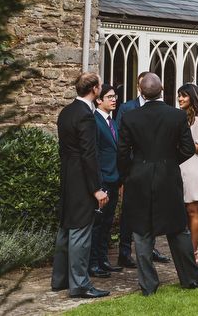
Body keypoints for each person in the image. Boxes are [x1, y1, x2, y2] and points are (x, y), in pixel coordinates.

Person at [117, 73, 198, 296]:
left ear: (141, 92)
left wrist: (128, 175)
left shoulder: (130, 117)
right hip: (168, 177)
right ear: (162, 91)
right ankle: (191, 278)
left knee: (142, 233)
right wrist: (170, 163)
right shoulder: (176, 116)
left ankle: (148, 286)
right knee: (177, 229)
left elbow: (122, 153)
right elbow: (187, 149)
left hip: (139, 178)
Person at [51, 73, 110, 299]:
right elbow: (89, 154)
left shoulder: (66, 112)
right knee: (80, 232)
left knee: (66, 228)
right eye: (100, 86)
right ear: (94, 89)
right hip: (82, 179)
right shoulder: (86, 116)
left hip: (68, 176)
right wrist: (96, 188)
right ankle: (80, 285)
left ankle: (60, 279)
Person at [114, 71, 170, 267]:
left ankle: (150, 249)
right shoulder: (127, 108)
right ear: (139, 87)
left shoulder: (163, 110)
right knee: (129, 213)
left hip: (155, 172)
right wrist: (125, 173)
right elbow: (121, 142)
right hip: (133, 171)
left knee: (152, 211)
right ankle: (124, 252)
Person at [89, 84, 123, 278]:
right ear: (99, 100)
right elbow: (94, 155)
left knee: (108, 223)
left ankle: (103, 260)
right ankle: (93, 264)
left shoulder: (113, 121)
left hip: (114, 179)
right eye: (109, 97)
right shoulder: (95, 122)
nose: (114, 99)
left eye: (115, 96)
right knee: (97, 224)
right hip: (102, 181)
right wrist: (98, 184)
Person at [177, 83, 198, 263]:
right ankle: (186, 250)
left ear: (192, 98)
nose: (180, 99)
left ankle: (193, 252)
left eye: (184, 96)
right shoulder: (181, 117)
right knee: (183, 209)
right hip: (181, 167)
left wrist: (183, 142)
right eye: (179, 95)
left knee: (193, 209)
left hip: (193, 168)